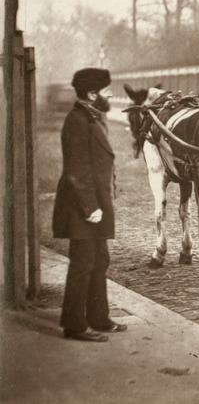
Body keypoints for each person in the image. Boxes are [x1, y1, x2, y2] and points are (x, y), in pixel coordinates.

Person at [53, 67, 127, 342]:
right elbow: (77, 169)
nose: (110, 94)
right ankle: (74, 325)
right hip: (82, 207)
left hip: (95, 204)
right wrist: (90, 207)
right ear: (92, 94)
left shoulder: (91, 117)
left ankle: (98, 318)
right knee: (82, 264)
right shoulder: (77, 121)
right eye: (106, 91)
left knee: (99, 261)